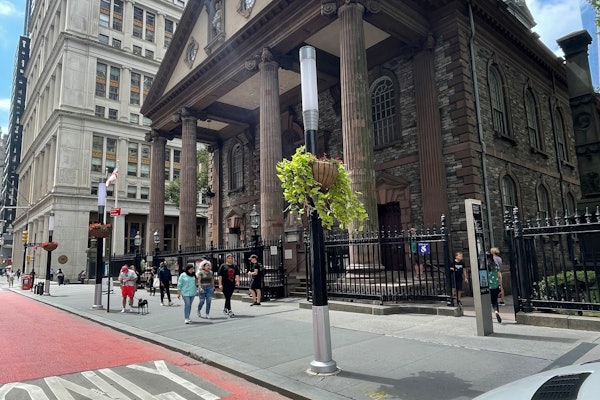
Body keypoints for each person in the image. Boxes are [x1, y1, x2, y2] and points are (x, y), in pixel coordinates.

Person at [218, 253, 240, 318]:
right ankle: (229, 310)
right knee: (227, 296)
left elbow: (237, 274)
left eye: (231, 258)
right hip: (225, 283)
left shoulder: (235, 266)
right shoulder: (223, 266)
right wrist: (220, 284)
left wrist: (237, 281)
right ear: (226, 259)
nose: (230, 259)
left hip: (232, 283)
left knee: (228, 297)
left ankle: (225, 308)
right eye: (229, 258)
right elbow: (220, 275)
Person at [488, 247, 503, 323]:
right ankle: (496, 311)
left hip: (488, 285)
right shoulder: (496, 265)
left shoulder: (486, 266)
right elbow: (499, 275)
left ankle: (487, 315)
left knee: (487, 300)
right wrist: (500, 284)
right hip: (495, 284)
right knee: (495, 300)